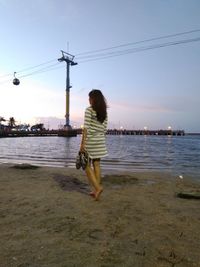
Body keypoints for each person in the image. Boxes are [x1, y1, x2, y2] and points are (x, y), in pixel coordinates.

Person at [80, 89, 108, 200]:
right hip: (100, 141)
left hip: (91, 141)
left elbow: (86, 128)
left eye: (90, 98)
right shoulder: (104, 112)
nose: (89, 100)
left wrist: (82, 144)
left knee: (86, 166)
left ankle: (98, 187)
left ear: (94, 99)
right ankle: (96, 191)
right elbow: (104, 129)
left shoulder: (89, 110)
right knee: (96, 164)